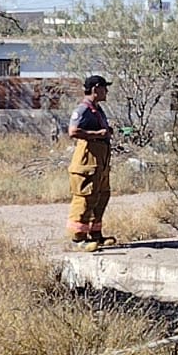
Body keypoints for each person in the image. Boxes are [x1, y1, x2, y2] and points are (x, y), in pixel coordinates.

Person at [67, 74, 115, 252]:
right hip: (87, 163)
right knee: (85, 199)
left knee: (101, 197)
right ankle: (78, 239)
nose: (107, 91)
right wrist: (97, 135)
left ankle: (96, 235)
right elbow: (73, 131)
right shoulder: (83, 109)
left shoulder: (98, 109)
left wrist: (106, 131)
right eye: (104, 87)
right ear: (95, 89)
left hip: (100, 163)